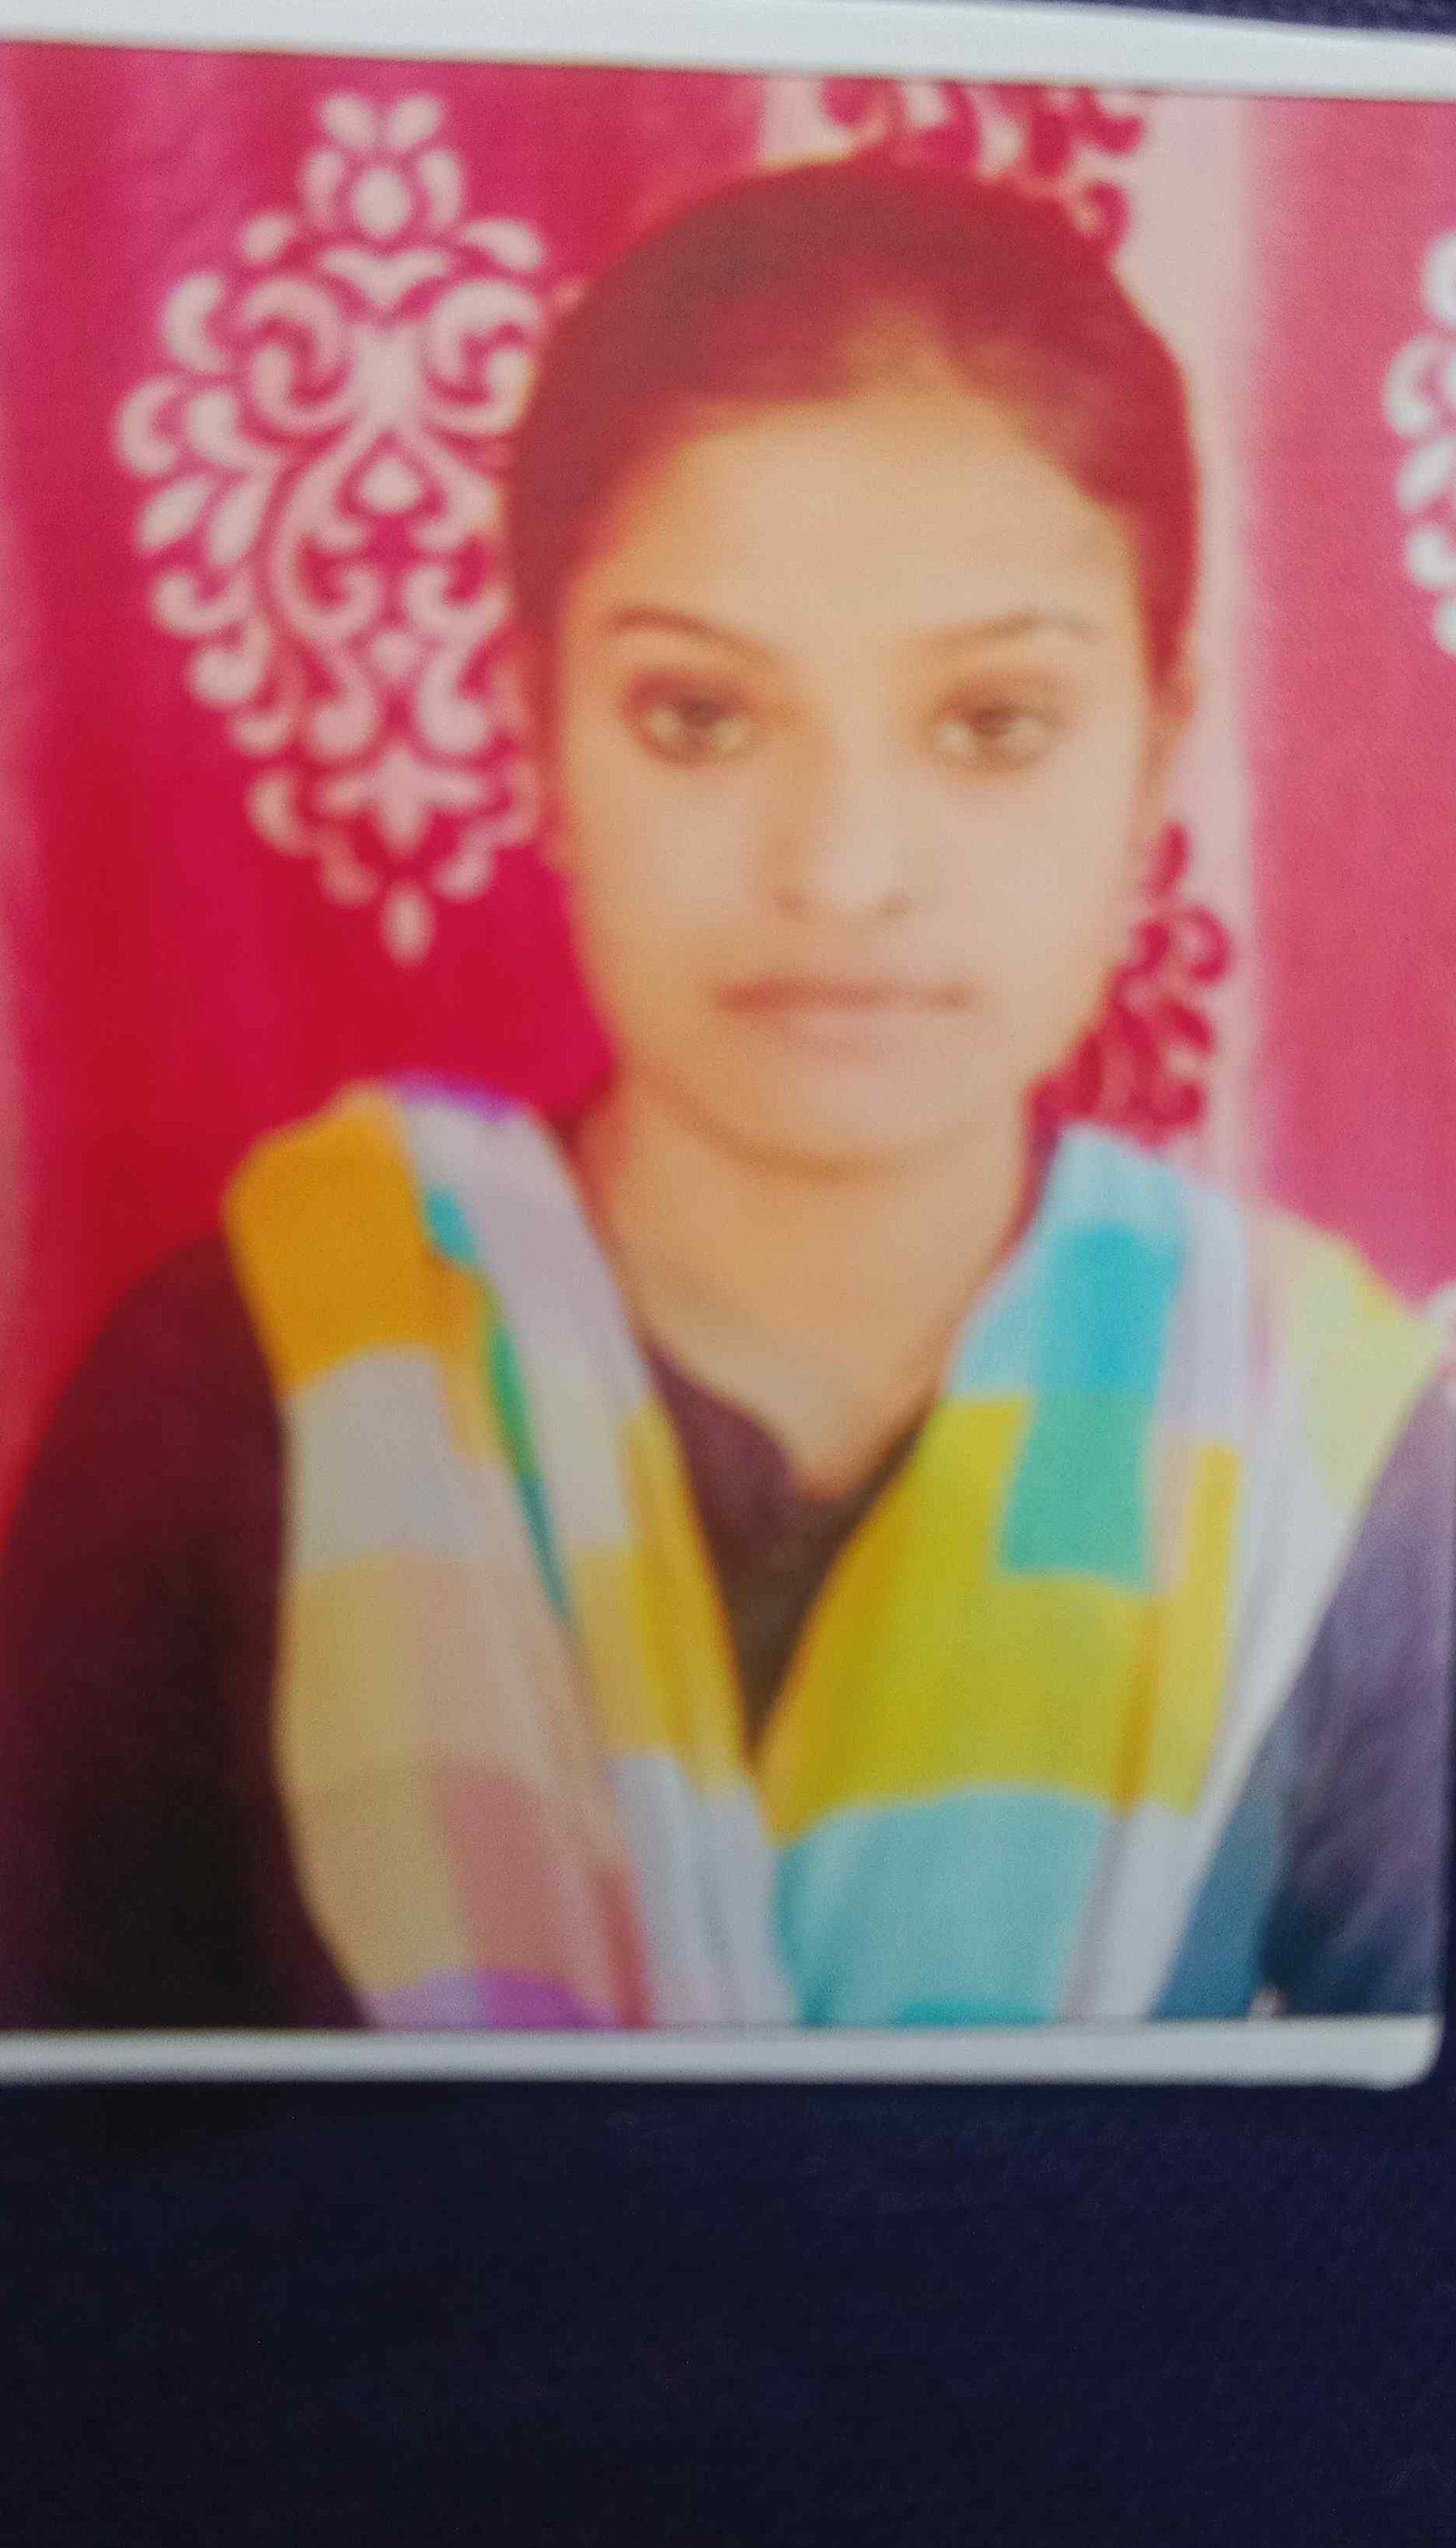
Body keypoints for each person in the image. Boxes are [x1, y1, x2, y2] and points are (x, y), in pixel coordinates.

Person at [0, 158, 1450, 2033]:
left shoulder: (1330, 1459)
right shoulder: (242, 1395)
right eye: (698, 716)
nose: (842, 869)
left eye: (993, 725)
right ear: (537, 734)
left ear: (1154, 760)